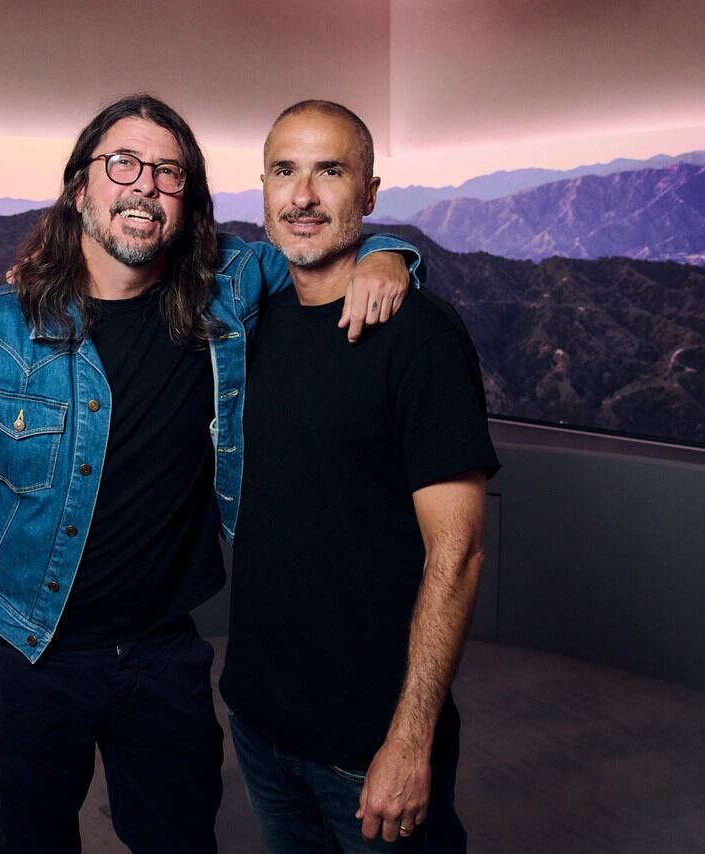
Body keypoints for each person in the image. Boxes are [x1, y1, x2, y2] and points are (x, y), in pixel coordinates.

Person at [0, 93, 422, 854]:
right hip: (30, 656)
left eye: (169, 172)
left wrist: (390, 255)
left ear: (188, 201)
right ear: (79, 187)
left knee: (180, 839)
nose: (146, 185)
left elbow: (317, 242)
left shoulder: (224, 294)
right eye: (123, 164)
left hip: (162, 657)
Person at [219, 100, 501, 853]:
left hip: (370, 739)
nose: (303, 195)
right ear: (262, 186)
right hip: (258, 722)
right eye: (285, 171)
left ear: (370, 193)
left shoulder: (421, 339)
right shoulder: (250, 324)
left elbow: (458, 554)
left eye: (331, 171)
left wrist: (410, 739)